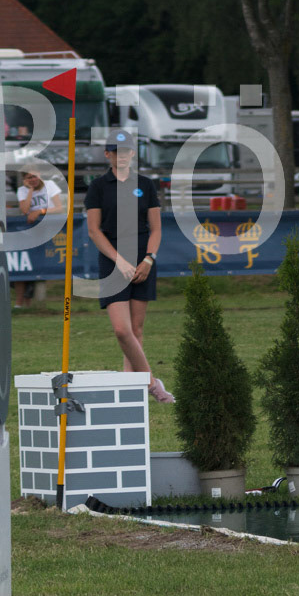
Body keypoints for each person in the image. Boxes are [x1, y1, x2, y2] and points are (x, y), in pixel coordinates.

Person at [84, 130, 174, 402]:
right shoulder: (98, 186)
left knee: (136, 330)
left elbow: (156, 229)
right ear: (107, 154)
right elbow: (94, 231)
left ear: (133, 153)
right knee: (121, 330)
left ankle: (130, 386)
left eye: (126, 151)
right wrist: (119, 261)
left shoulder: (146, 184)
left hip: (142, 259)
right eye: (115, 152)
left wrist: (148, 259)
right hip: (112, 260)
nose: (121, 156)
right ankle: (151, 383)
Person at [13, 168, 65, 307]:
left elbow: (59, 208)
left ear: (40, 175)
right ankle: (20, 303)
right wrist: (30, 190)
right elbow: (25, 210)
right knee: (23, 265)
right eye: (29, 177)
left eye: (35, 176)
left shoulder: (50, 185)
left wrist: (40, 211)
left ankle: (40, 302)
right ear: (25, 179)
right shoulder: (22, 190)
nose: (33, 180)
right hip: (30, 231)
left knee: (45, 264)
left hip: (50, 230)